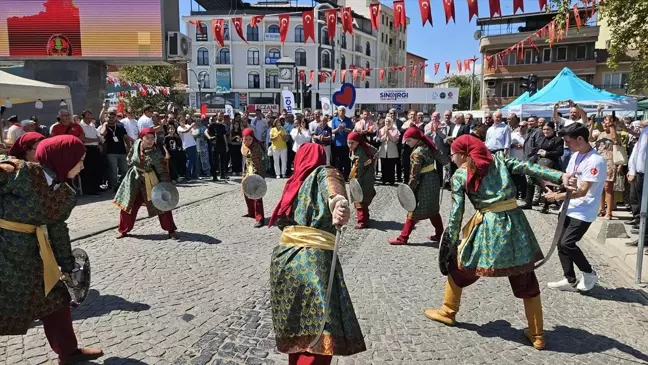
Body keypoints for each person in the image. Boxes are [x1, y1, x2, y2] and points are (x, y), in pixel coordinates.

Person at [424, 135, 569, 351]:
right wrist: (561, 176)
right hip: (516, 225)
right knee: (526, 277)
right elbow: (529, 168)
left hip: (488, 227)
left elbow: (456, 213)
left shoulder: (460, 175)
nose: (451, 158)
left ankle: (448, 311)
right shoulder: (500, 160)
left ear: (463, 154)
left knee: (461, 267)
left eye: (453, 153)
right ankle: (537, 335)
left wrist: (451, 242)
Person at [0, 135, 104, 363]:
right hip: (3, 251)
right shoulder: (20, 172)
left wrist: (67, 265)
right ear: (64, 158)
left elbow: (58, 230)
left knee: (56, 298)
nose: (83, 166)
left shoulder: (65, 195)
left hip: (31, 253)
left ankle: (68, 353)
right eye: (80, 160)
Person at [268, 143, 366, 365]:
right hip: (313, 264)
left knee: (297, 333)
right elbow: (333, 188)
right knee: (320, 335)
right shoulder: (324, 171)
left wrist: (337, 204)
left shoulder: (294, 183)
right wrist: (339, 203)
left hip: (284, 263)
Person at [544, 123, 604, 292]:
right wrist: (562, 183)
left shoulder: (595, 161)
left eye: (568, 141)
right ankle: (569, 279)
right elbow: (568, 175)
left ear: (580, 138)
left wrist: (555, 196)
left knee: (568, 243)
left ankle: (589, 272)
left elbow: (582, 191)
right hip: (568, 207)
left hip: (583, 210)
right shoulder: (576, 155)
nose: (566, 144)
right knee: (560, 243)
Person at [114, 128, 178, 239]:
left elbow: (162, 170)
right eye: (147, 138)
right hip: (134, 180)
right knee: (128, 205)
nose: (150, 140)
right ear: (141, 138)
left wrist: (166, 185)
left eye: (152, 138)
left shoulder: (156, 153)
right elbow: (129, 158)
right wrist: (135, 168)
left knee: (162, 205)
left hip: (151, 181)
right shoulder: (136, 145)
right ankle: (123, 229)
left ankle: (170, 229)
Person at [389, 128, 450, 245]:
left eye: (409, 140)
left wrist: (409, 190)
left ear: (416, 139)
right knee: (433, 208)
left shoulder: (417, 152)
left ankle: (403, 238)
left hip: (424, 182)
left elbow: (414, 174)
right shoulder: (428, 145)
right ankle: (439, 234)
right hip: (433, 179)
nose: (407, 143)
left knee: (414, 210)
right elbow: (442, 158)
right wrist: (447, 164)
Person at [348, 132, 377, 229]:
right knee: (364, 199)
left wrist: (356, 184)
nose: (350, 145)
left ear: (357, 142)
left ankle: (362, 221)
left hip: (363, 178)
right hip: (368, 175)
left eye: (352, 143)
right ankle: (366, 217)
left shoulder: (359, 153)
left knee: (359, 200)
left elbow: (358, 170)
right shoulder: (362, 147)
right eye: (348, 142)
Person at [594, 116, 620, 219]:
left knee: (608, 187)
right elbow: (591, 139)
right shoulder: (601, 134)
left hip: (610, 161)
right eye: (605, 121)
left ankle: (609, 212)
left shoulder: (614, 133)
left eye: (608, 121)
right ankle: (601, 209)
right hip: (599, 161)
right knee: (600, 187)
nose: (605, 123)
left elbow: (615, 140)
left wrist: (612, 127)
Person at [242, 128, 266, 228]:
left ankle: (260, 218)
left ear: (253, 138)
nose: (247, 141)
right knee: (246, 192)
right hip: (247, 171)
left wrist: (257, 177)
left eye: (249, 139)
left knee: (257, 195)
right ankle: (251, 212)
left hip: (256, 173)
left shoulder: (256, 148)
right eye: (245, 139)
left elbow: (259, 164)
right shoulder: (244, 146)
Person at [377, 117, 400, 185]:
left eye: (389, 121)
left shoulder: (395, 130)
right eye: (386, 121)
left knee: (391, 166)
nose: (387, 123)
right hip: (384, 150)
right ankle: (384, 179)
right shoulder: (381, 130)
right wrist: (385, 135)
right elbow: (380, 140)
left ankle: (391, 180)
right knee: (383, 166)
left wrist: (388, 134)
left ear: (392, 122)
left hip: (392, 151)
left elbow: (394, 140)